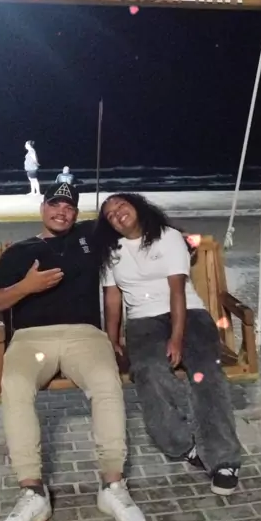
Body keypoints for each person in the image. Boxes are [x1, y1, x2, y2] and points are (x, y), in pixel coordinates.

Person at [0, 182, 147, 521]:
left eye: (69, 207)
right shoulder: (19, 251)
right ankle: (32, 493)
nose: (62, 211)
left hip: (84, 335)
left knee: (107, 382)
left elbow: (132, 219)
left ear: (76, 213)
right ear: (43, 207)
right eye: (55, 204)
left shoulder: (90, 237)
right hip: (31, 339)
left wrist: (179, 239)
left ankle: (112, 485)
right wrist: (27, 287)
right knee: (15, 386)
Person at [96, 192, 242, 496]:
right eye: (110, 215)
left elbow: (177, 290)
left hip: (188, 314)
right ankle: (182, 445)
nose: (117, 214)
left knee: (205, 373)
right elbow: (112, 298)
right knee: (149, 371)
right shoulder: (111, 250)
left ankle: (223, 459)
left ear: (137, 206)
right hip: (143, 321)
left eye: (121, 206)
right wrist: (111, 339)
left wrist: (176, 338)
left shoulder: (167, 237)